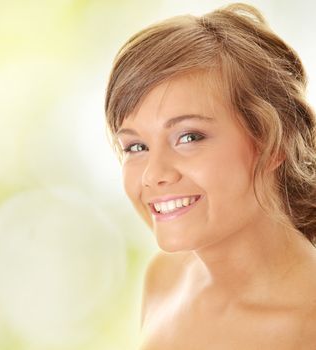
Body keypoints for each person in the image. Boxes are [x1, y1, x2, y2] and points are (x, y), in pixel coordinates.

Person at [105, 3, 316, 349]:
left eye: (189, 137)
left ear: (274, 142)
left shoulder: (307, 323)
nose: (154, 174)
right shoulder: (165, 279)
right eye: (136, 146)